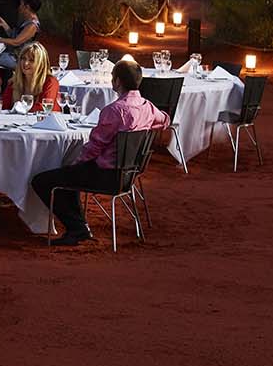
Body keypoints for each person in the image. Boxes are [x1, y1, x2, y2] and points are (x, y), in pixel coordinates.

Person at [29, 57, 169, 246]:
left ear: (117, 81)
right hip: (129, 174)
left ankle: (76, 228)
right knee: (70, 174)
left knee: (43, 180)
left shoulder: (114, 110)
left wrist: (75, 161)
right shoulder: (148, 107)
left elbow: (95, 146)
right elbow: (166, 120)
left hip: (105, 175)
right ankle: (79, 227)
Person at [0, 0, 43, 75]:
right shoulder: (27, 20)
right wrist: (4, 24)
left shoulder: (32, 25)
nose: (19, 7)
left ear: (27, 7)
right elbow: (16, 37)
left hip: (19, 59)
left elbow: (16, 42)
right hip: (15, 55)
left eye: (21, 5)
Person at [7, 42, 58, 111]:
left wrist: (19, 109)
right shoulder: (13, 82)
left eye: (31, 60)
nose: (26, 63)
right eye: (23, 58)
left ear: (40, 63)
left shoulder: (50, 82)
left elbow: (44, 107)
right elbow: (5, 106)